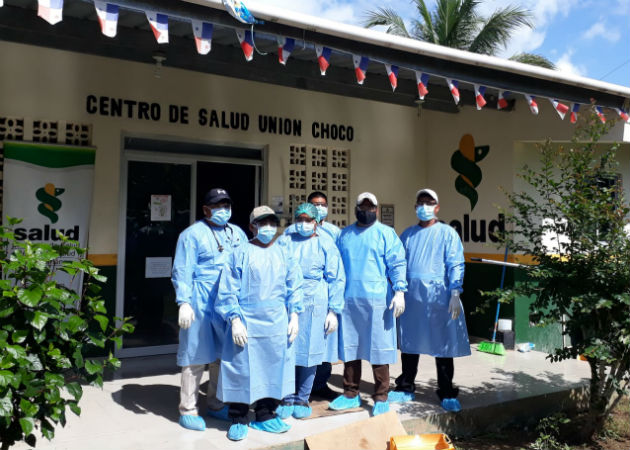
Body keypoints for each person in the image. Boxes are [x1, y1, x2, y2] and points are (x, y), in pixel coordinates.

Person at [215, 205, 304, 441]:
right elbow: (227, 290)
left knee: (272, 368)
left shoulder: (284, 253)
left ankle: (265, 414)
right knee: (241, 369)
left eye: (272, 223)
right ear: (252, 226)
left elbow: (294, 286)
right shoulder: (239, 253)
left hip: (276, 322)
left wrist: (294, 314)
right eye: (262, 223)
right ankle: (238, 415)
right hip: (247, 321)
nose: (268, 228)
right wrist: (234, 320)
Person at [172, 188, 248, 431]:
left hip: (228, 302)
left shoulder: (237, 233)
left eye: (227, 205)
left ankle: (215, 404)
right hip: (200, 301)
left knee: (220, 356)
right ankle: (188, 409)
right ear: (205, 209)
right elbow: (183, 270)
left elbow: (247, 264)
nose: (223, 210)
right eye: (218, 206)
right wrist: (184, 302)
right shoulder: (191, 235)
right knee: (195, 356)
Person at [388, 189, 470, 412]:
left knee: (442, 346)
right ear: (415, 207)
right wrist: (399, 291)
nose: (424, 206)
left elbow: (456, 263)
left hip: (438, 298)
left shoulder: (447, 233)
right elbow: (399, 264)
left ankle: (446, 391)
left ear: (437, 207)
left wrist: (455, 292)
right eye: (421, 202)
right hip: (413, 298)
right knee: (409, 344)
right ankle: (405, 386)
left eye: (429, 202)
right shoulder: (407, 235)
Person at [329, 192, 407, 416]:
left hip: (378, 301)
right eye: (362, 207)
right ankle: (350, 393)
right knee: (351, 347)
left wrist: (400, 290)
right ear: (356, 209)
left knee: (379, 348)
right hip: (350, 300)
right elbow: (336, 267)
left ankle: (381, 395)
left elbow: (397, 263)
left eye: (370, 207)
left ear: (377, 209)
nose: (367, 210)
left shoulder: (386, 234)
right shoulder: (345, 235)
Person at [275, 203, 345, 420]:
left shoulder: (326, 244)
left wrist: (334, 310)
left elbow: (337, 278)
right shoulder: (285, 241)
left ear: (315, 222)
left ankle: (303, 397)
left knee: (310, 352)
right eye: (300, 219)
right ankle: (286, 396)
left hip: (316, 301)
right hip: (287, 301)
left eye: (308, 219)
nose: (304, 223)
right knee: (287, 351)